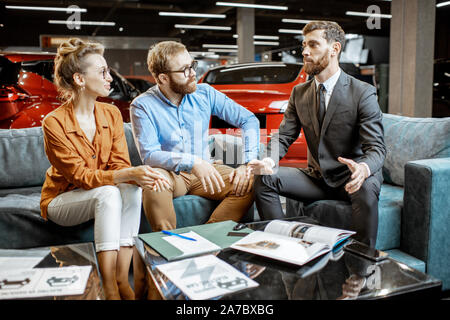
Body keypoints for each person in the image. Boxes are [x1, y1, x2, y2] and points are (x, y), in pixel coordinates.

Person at [40, 38, 170, 300]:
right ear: (79, 79)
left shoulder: (111, 114)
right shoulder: (53, 123)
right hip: (61, 200)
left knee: (132, 189)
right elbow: (82, 177)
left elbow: (120, 165)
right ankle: (109, 285)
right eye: (102, 72)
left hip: (99, 192)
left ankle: (123, 279)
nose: (110, 77)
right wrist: (128, 174)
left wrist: (137, 176)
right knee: (110, 192)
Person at [248, 21, 386, 248]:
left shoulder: (362, 92)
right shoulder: (299, 93)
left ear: (335, 49)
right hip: (317, 177)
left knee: (366, 185)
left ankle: (363, 264)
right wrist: (268, 160)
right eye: (304, 45)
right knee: (265, 177)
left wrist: (363, 168)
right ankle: (281, 247)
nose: (304, 52)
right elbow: (284, 136)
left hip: (351, 177)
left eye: (313, 45)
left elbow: (377, 148)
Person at [130, 41, 260, 232]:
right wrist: (193, 162)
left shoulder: (205, 93)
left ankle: (207, 240)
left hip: (207, 171)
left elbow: (249, 120)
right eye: (184, 70)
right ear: (163, 78)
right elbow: (149, 155)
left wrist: (247, 164)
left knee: (249, 183)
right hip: (170, 174)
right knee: (154, 182)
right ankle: (167, 247)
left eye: (192, 65)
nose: (193, 74)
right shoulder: (142, 105)